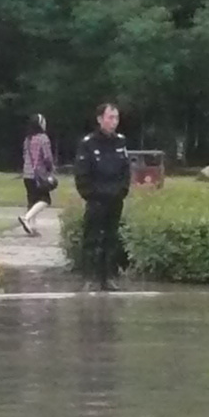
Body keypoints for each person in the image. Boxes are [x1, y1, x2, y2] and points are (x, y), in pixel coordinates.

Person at [70, 103, 135, 290]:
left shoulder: (120, 141)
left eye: (116, 118)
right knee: (92, 238)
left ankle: (109, 277)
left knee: (111, 238)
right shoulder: (88, 143)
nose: (114, 122)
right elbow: (82, 173)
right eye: (110, 118)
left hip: (115, 198)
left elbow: (125, 171)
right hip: (96, 199)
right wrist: (91, 194)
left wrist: (122, 191)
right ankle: (89, 278)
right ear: (100, 119)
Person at [16, 114, 58, 237]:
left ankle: (32, 227)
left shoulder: (28, 139)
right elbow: (47, 157)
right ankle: (26, 218)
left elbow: (25, 156)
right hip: (38, 175)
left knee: (32, 200)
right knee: (45, 200)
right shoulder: (43, 138)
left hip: (27, 174)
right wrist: (51, 168)